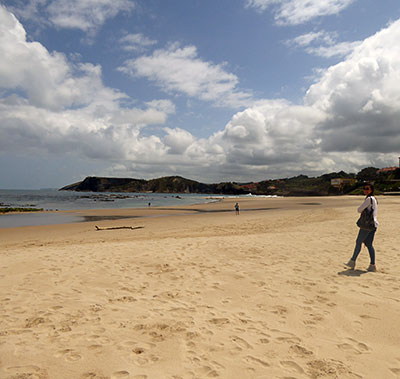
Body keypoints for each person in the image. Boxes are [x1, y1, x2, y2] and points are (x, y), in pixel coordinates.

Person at [345, 183, 378, 272]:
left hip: (366, 225)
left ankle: (352, 261)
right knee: (369, 245)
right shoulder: (374, 199)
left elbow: (359, 209)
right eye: (364, 188)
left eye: (367, 188)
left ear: (371, 190)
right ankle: (372, 265)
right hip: (373, 224)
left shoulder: (368, 199)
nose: (365, 190)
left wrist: (362, 209)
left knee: (358, 242)